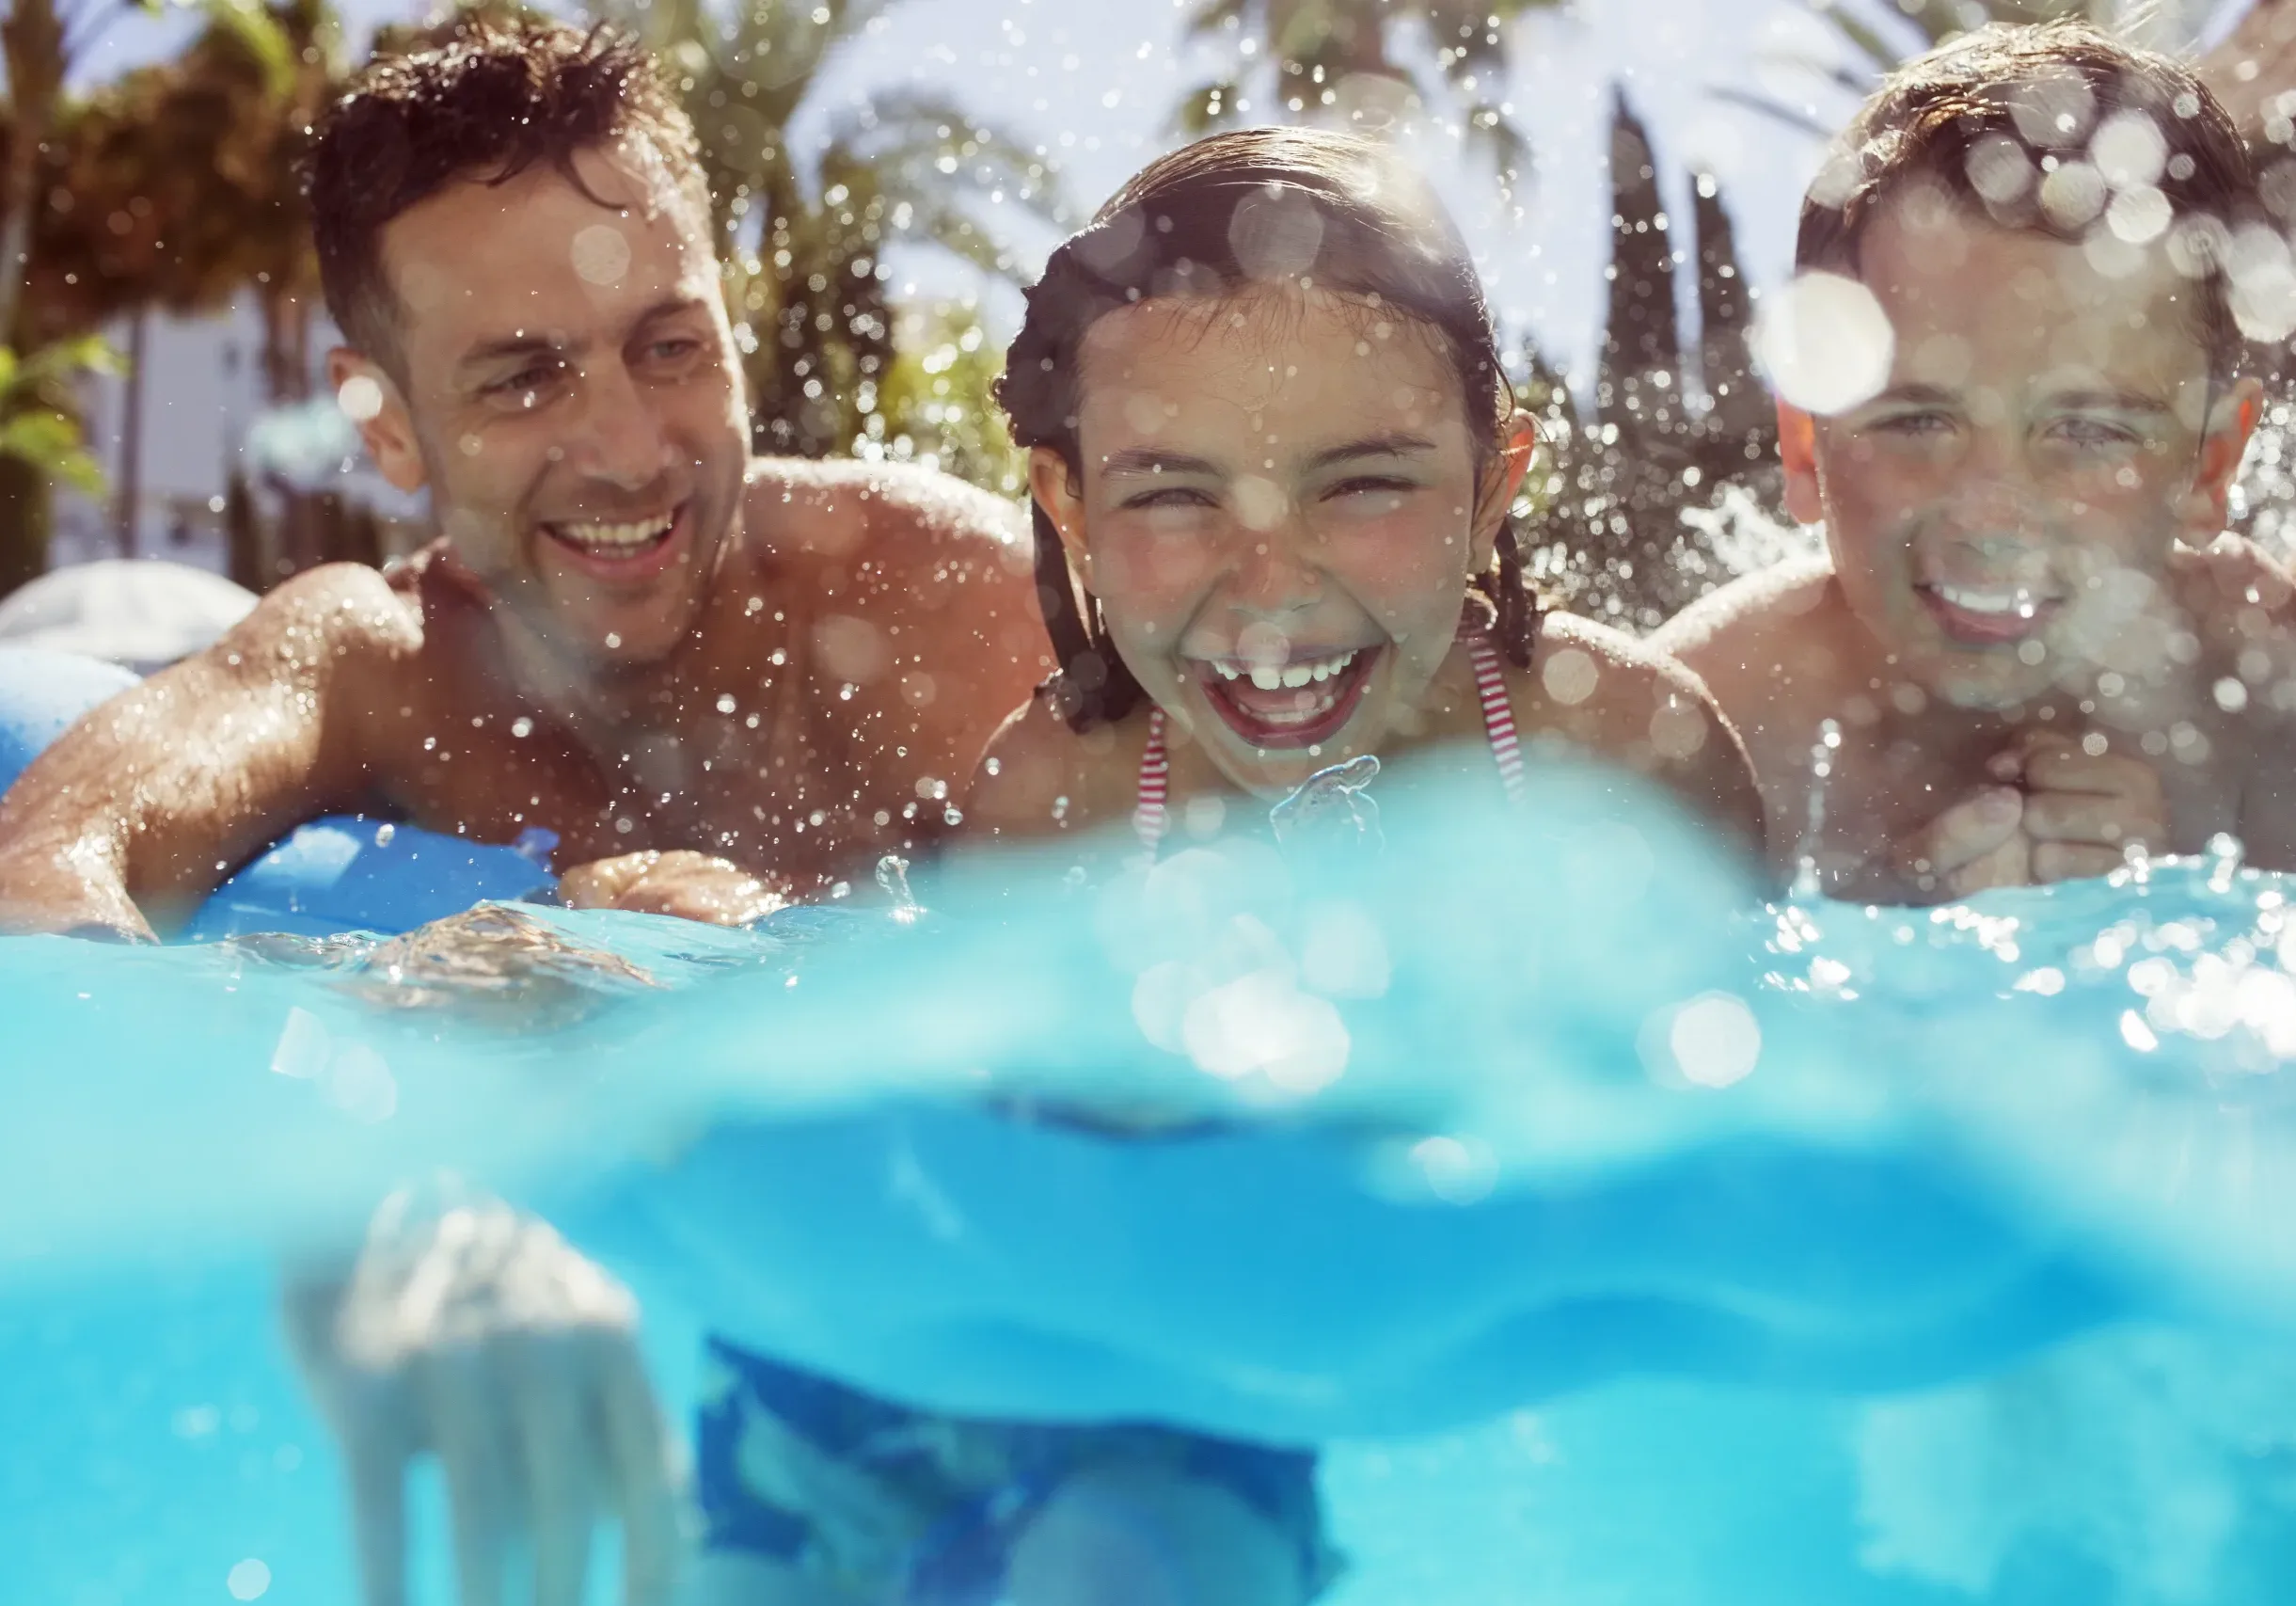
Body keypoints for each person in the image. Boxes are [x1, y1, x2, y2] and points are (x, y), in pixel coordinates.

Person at [0, 20, 1049, 944]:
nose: (630, 453)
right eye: (524, 380)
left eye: (669, 346)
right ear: (390, 425)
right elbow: (49, 860)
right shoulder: (380, 667)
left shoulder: (937, 604)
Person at [964, 127, 1762, 862]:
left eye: (1360, 485)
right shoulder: (1051, 812)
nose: (1270, 589)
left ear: (1488, 493)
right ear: (1074, 516)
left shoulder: (1626, 755)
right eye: (1175, 497)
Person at [1655, 23, 2296, 902]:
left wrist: (2171, 890)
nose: (1989, 515)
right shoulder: (1706, 727)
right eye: (1917, 420)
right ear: (1806, 445)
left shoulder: (2262, 700)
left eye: (2089, 432)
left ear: (2210, 465)